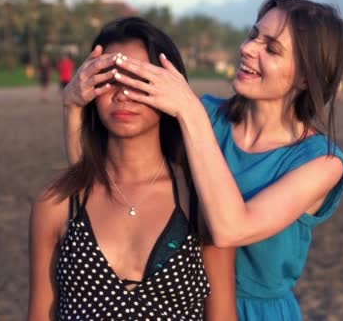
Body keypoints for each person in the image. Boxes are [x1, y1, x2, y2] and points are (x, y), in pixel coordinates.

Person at [64, 0, 343, 320]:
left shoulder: (322, 163)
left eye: (271, 49)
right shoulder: (206, 116)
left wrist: (189, 111)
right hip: (179, 303)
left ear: (305, 79)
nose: (247, 49)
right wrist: (73, 106)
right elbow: (99, 189)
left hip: (257, 312)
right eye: (253, 35)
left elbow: (231, 228)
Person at [28, 17, 237, 320]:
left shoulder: (203, 201)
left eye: (138, 79)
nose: (122, 93)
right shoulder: (58, 202)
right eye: (109, 79)